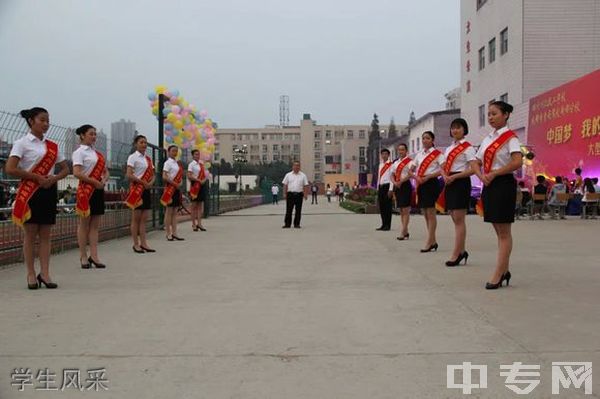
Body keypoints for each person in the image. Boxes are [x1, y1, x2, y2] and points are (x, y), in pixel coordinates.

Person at [5, 107, 69, 289]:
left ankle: (45, 273)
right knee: (31, 235)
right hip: (30, 191)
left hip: (48, 190)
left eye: (48, 120)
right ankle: (31, 273)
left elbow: (65, 169)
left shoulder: (52, 146)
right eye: (42, 120)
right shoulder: (22, 143)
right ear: (31, 121)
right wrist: (36, 177)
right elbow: (10, 168)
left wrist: (54, 178)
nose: (46, 124)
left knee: (46, 235)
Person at [471, 101, 523, 290]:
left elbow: (517, 162)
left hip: (503, 184)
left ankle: (498, 273)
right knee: (497, 229)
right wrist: (481, 175)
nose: (491, 117)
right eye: (489, 114)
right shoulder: (487, 139)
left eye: (494, 114)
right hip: (489, 184)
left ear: (506, 115)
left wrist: (495, 173)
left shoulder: (511, 138)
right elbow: (475, 161)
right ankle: (505, 270)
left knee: (503, 232)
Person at [440, 118, 476, 266]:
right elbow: (442, 166)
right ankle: (461, 251)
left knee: (459, 219)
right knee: (454, 217)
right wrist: (445, 176)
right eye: (453, 127)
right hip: (449, 182)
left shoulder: (468, 148)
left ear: (464, 130)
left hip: (460, 182)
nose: (455, 130)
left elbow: (473, 169)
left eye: (458, 128)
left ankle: (457, 253)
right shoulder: (449, 149)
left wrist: (454, 177)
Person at [72, 124, 109, 269]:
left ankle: (94, 256)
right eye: (91, 134)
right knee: (84, 225)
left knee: (95, 226)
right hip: (86, 191)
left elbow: (106, 172)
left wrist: (104, 180)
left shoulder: (98, 154)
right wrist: (94, 181)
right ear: (82, 135)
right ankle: (83, 256)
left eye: (95, 134)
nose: (94, 137)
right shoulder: (79, 152)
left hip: (98, 190)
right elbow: (77, 172)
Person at [410, 131, 444, 251]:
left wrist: (429, 176)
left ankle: (429, 241)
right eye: (423, 138)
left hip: (431, 183)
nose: (425, 140)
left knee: (431, 212)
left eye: (427, 138)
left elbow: (443, 170)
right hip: (421, 184)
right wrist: (416, 178)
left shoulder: (438, 154)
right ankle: (433, 240)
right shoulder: (419, 155)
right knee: (424, 212)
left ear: (432, 140)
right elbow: (410, 171)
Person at [125, 134, 156, 253]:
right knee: (136, 219)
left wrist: (151, 183)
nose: (144, 144)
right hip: (136, 190)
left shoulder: (148, 159)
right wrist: (142, 182)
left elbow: (153, 174)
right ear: (136, 144)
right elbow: (129, 174)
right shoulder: (133, 157)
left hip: (146, 190)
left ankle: (144, 243)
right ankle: (135, 244)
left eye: (145, 142)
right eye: (141, 142)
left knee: (144, 219)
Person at [161, 145, 185, 241]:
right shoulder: (167, 163)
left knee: (175, 212)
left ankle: (175, 233)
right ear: (169, 152)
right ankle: (168, 233)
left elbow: (180, 176)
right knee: (169, 211)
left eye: (176, 151)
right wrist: (175, 183)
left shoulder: (177, 163)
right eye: (173, 151)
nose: (175, 153)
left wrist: (180, 183)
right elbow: (164, 176)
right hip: (170, 189)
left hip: (176, 189)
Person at [389, 143, 412, 240]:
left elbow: (411, 174)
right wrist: (394, 182)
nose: (400, 151)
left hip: (405, 185)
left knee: (406, 210)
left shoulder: (410, 162)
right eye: (399, 150)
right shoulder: (396, 163)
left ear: (406, 151)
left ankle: (403, 232)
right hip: (397, 186)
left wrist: (401, 181)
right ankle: (405, 231)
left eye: (402, 149)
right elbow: (391, 174)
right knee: (401, 210)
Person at [282, 161, 308, 228]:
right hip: (290, 194)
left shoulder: (303, 175)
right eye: (295, 165)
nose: (296, 167)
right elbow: (285, 184)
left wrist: (305, 194)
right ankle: (287, 224)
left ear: (299, 167)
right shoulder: (288, 175)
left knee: (298, 210)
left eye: (298, 165)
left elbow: (305, 185)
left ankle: (297, 224)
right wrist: (284, 193)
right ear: (292, 166)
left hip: (299, 195)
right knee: (289, 210)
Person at [188, 149, 208, 231]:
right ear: (193, 155)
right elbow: (189, 175)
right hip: (195, 186)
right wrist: (198, 180)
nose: (197, 156)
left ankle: (199, 223)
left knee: (200, 206)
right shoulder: (191, 165)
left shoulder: (201, 164)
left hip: (201, 185)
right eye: (196, 154)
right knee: (194, 206)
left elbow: (204, 175)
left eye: (198, 154)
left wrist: (203, 180)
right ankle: (193, 224)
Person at [376, 148, 393, 231]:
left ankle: (388, 225)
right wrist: (377, 187)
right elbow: (379, 177)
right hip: (381, 187)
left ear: (388, 155)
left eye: (386, 154)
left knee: (388, 207)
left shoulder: (391, 164)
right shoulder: (380, 165)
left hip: (388, 186)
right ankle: (383, 224)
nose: (384, 155)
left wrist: (391, 189)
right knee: (382, 206)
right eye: (382, 154)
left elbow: (392, 177)